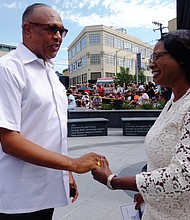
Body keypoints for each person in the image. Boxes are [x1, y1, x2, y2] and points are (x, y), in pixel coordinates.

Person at [0, 3, 104, 219]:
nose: (58, 36)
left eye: (62, 31)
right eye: (51, 29)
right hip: (17, 197)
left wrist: (65, 173)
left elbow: (53, 131)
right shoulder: (8, 69)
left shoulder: (53, 76)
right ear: (27, 30)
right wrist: (73, 164)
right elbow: (9, 141)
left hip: (48, 192)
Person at [92, 29, 190, 220]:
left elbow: (183, 177)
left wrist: (114, 180)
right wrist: (148, 192)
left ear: (183, 58)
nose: (151, 63)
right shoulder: (173, 102)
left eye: (158, 56)